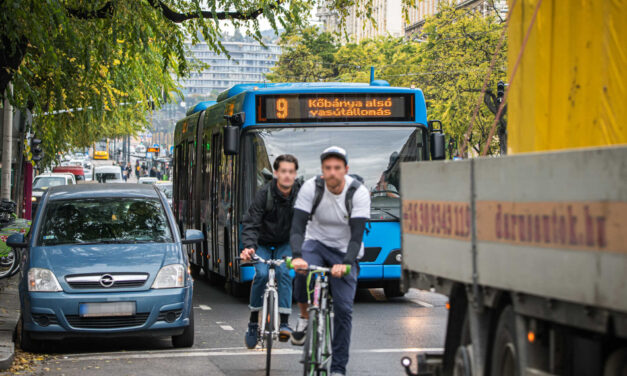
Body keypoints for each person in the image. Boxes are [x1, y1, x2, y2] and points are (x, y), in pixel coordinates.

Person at [289, 146, 371, 376]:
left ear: (345, 170)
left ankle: (337, 368)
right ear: (322, 170)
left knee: (344, 310)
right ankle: (305, 317)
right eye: (327, 168)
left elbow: (356, 236)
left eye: (337, 168)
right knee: (301, 270)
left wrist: (345, 263)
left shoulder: (358, 193)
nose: (332, 173)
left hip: (345, 250)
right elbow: (297, 227)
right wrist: (296, 257)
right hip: (316, 242)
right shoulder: (311, 188)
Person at [239, 154, 300, 349]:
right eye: (283, 171)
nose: (287, 176)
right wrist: (249, 246)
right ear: (276, 173)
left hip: (285, 242)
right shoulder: (263, 194)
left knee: (284, 273)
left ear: (295, 174)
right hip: (262, 243)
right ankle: (253, 323)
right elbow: (251, 223)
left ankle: (284, 323)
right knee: (262, 274)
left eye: (291, 172)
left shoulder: (299, 195)